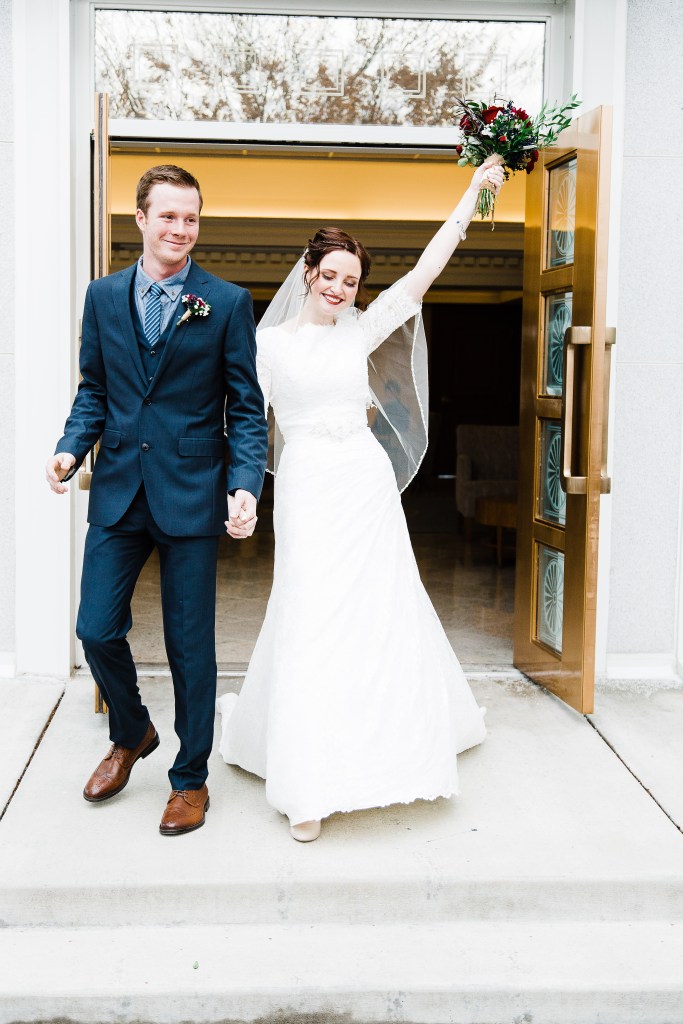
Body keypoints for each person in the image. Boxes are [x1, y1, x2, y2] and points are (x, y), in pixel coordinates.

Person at [217, 156, 505, 842]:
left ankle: (391, 751)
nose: (340, 289)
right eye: (331, 275)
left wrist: (470, 196)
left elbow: (425, 272)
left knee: (380, 607)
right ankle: (307, 783)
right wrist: (241, 492)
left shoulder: (361, 330)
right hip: (308, 484)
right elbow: (247, 423)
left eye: (351, 281)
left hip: (364, 484)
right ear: (308, 271)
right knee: (311, 614)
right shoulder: (267, 344)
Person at [46, 165, 268, 836]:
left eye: (190, 217)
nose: (180, 228)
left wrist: (244, 483)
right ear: (140, 218)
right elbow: (95, 387)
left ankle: (190, 778)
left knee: (190, 646)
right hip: (119, 489)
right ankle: (132, 730)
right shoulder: (103, 297)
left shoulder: (226, 302)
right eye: (168, 215)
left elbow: (246, 409)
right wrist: (70, 447)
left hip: (193, 493)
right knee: (94, 628)